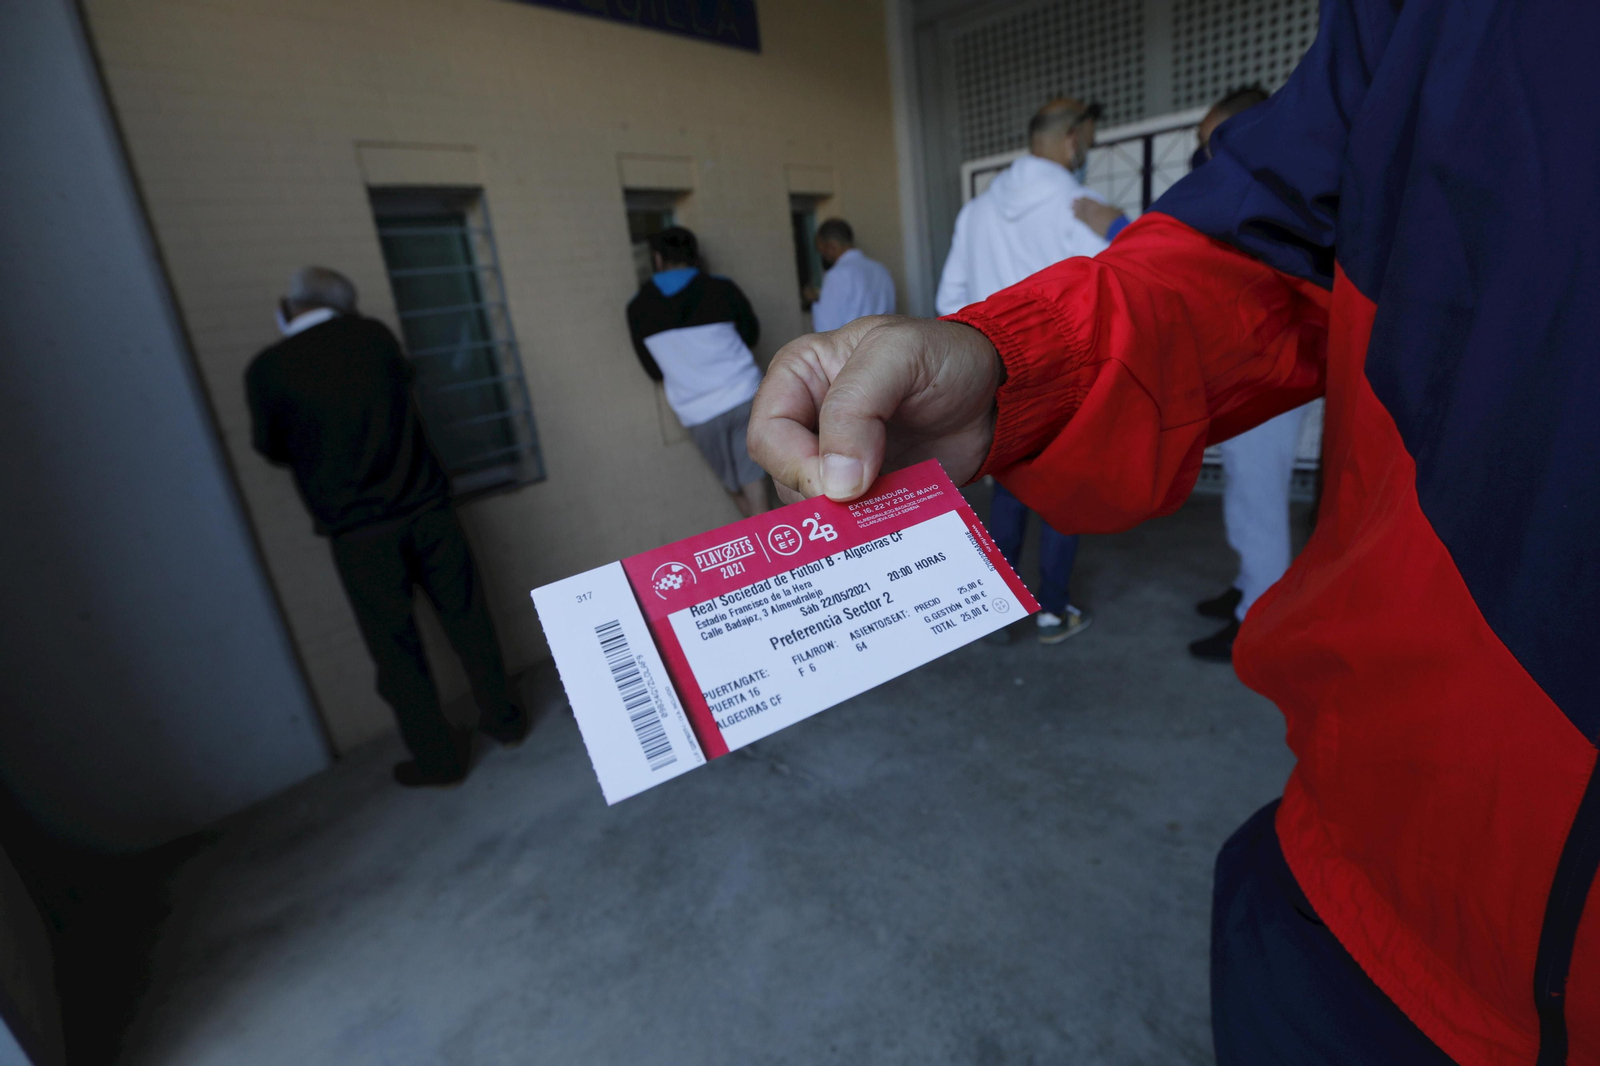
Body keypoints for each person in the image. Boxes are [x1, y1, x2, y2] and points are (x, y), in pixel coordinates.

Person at [748, 1, 1598, 1061]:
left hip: (1358, 886)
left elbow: (1060, 281)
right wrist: (1020, 370)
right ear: (1072, 141)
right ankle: (1043, 600)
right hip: (1376, 882)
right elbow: (1248, 247)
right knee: (1060, 529)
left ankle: (1007, 593)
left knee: (1010, 512)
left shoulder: (980, 216)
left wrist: (992, 355)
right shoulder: (1088, 196)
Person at [246, 267, 527, 788]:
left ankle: (439, 760)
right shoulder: (374, 337)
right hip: (427, 509)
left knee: (396, 651)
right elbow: (404, 388)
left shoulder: (268, 370)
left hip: (359, 533)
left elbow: (271, 448)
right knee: (469, 619)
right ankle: (505, 721)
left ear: (290, 306)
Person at [935, 97, 1112, 644]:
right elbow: (1113, 298)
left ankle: (1002, 611)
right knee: (1063, 494)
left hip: (1001, 381)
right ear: (1072, 142)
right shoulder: (1083, 206)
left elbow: (950, 300)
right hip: (1070, 383)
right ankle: (1053, 610)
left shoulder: (976, 212)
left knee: (1009, 492)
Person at [1171, 85, 1310, 663]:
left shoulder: (1278, 194)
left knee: (1260, 497)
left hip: (1269, 366)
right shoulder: (1264, 190)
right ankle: (1248, 587)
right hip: (1247, 364)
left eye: (1212, 146)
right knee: (1244, 489)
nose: (1206, 161)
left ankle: (1260, 617)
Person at [627, 227, 769, 517]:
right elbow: (752, 334)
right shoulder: (722, 289)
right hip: (745, 395)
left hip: (698, 412)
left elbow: (653, 370)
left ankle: (764, 541)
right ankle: (773, 537)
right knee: (753, 478)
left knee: (732, 484)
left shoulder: (638, 309)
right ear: (696, 257)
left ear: (657, 259)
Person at [808, 218, 896, 333]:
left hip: (854, 349)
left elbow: (826, 330)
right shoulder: (881, 270)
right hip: (884, 344)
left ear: (830, 247)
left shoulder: (837, 275)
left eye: (822, 251)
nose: (823, 257)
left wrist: (813, 303)